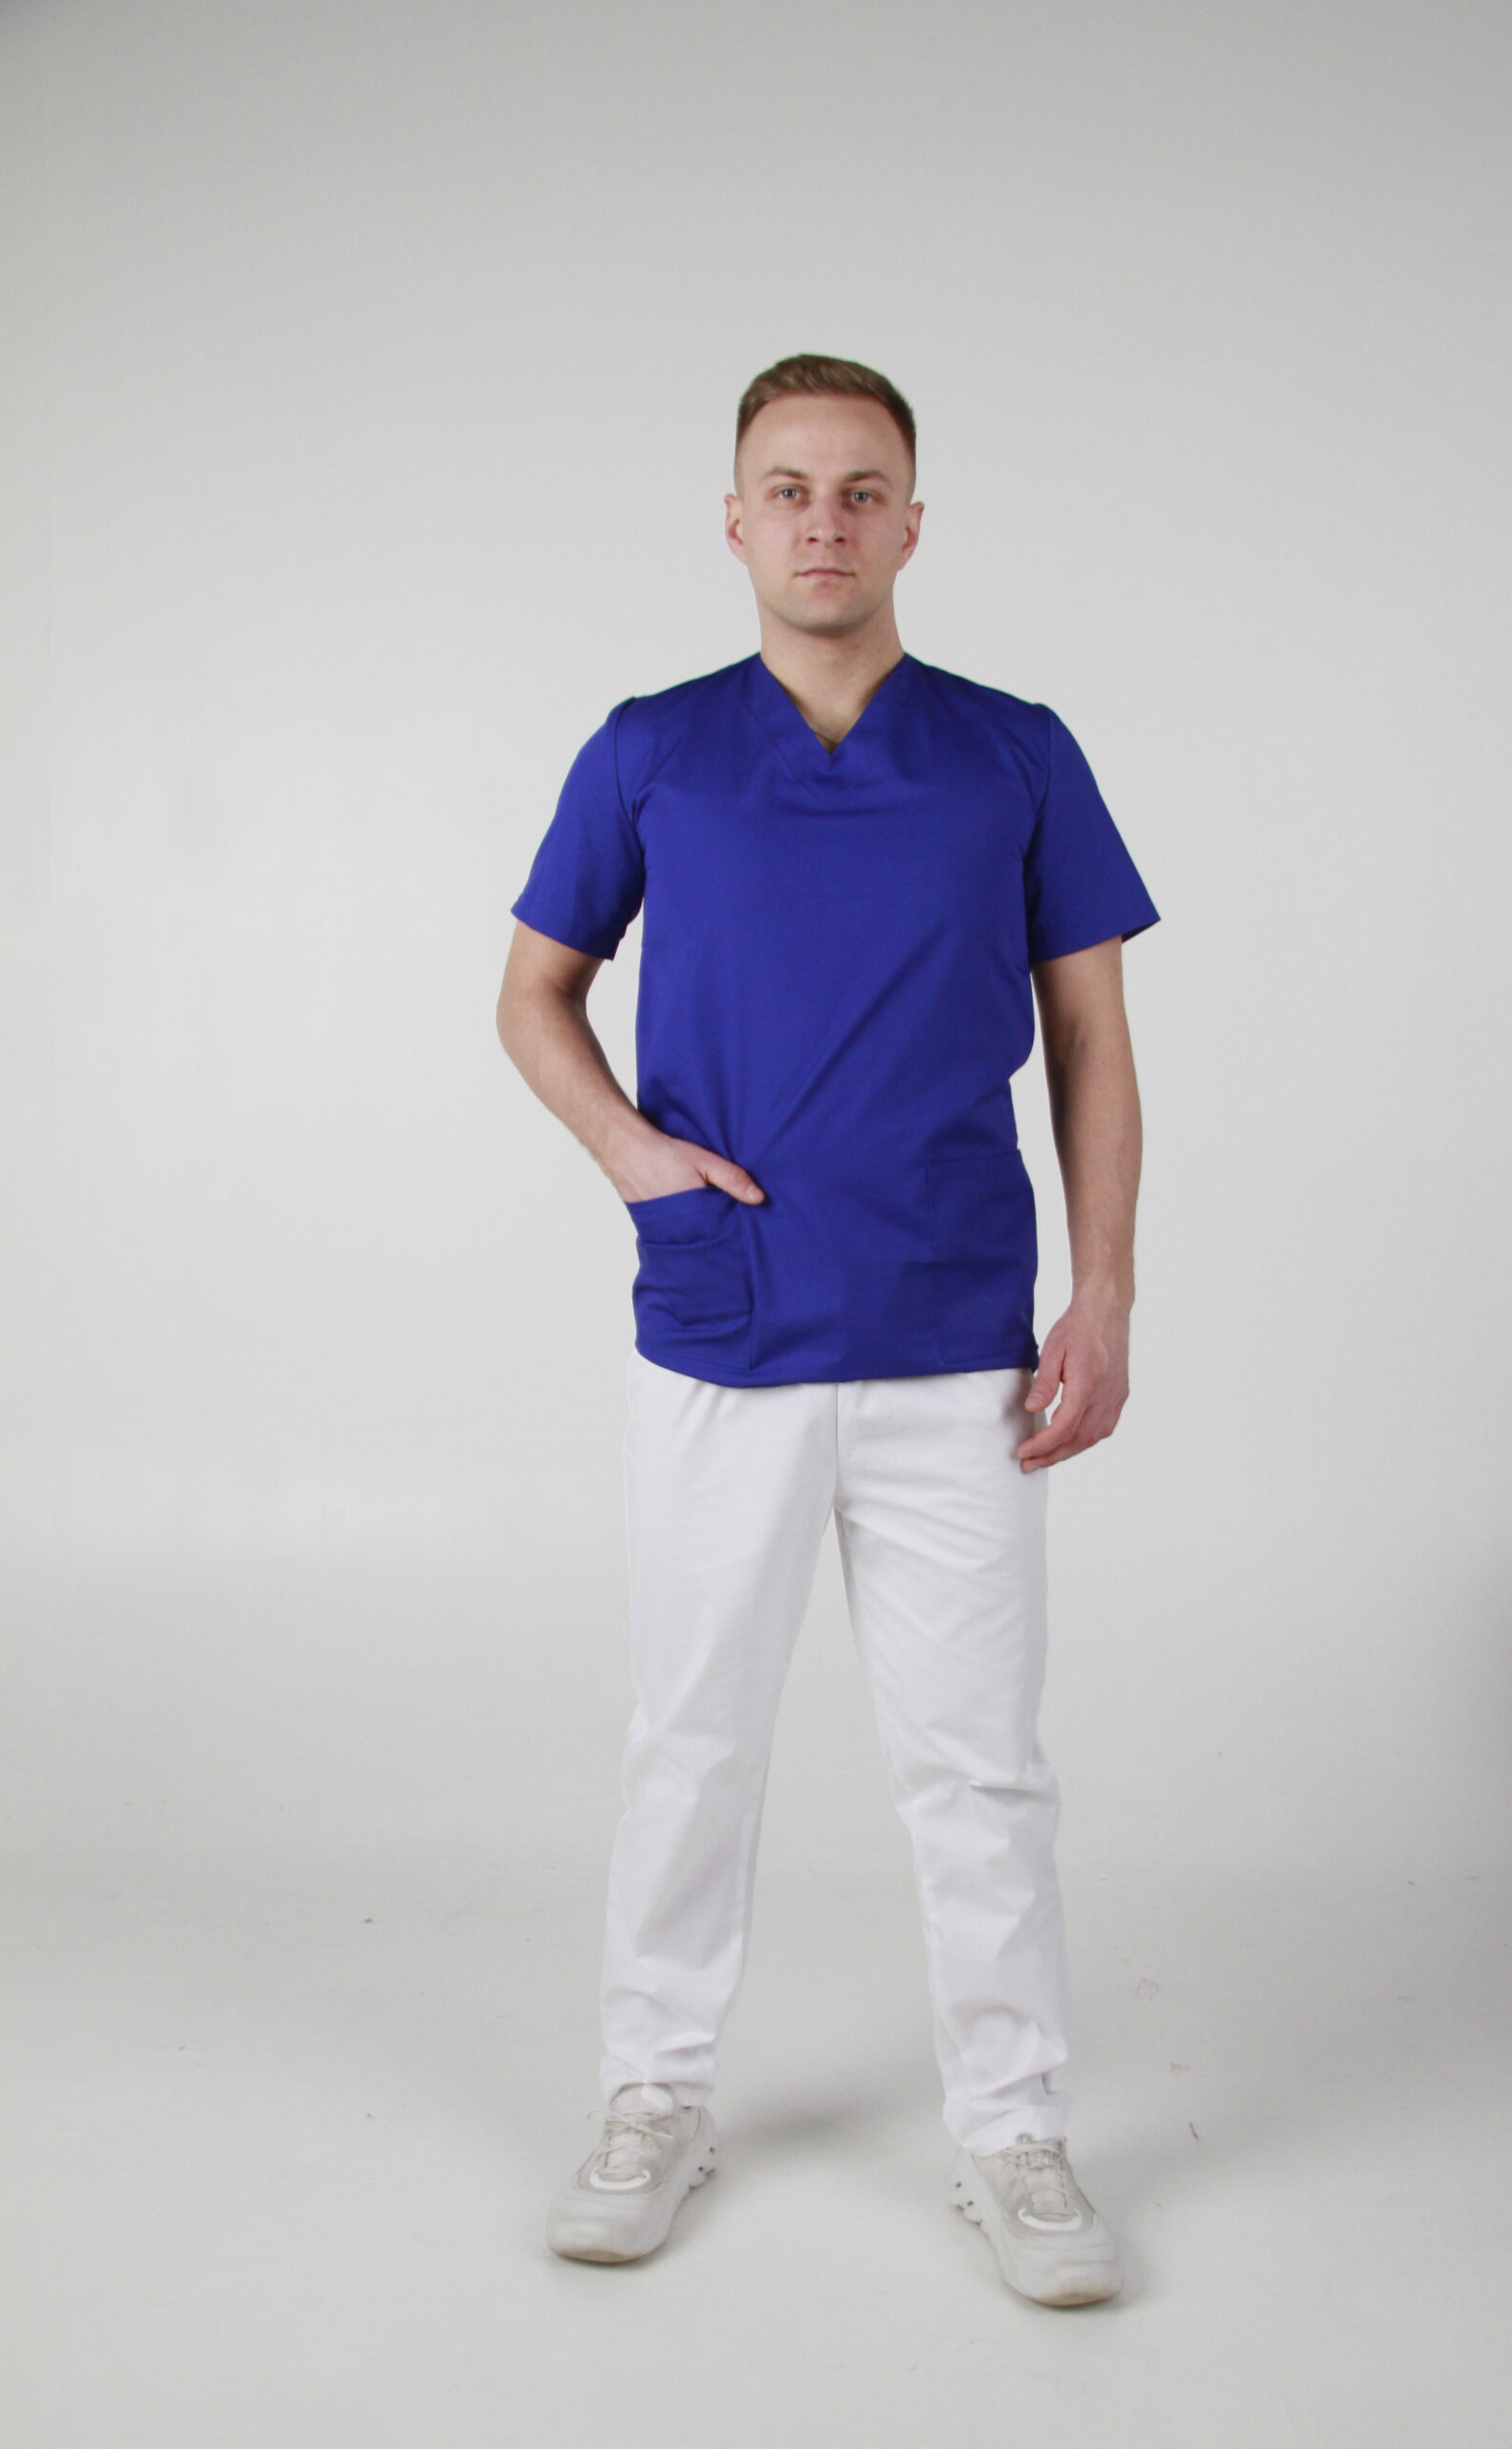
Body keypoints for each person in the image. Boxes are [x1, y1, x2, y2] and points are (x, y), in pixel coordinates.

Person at [494, 354, 1159, 2307]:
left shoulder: (1014, 753)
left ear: (912, 524)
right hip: (727, 1325)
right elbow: (532, 991)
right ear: (733, 521)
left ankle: (1014, 2127)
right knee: (692, 1744)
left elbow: (1092, 1041)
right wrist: (633, 1158)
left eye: (861, 490)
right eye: (786, 489)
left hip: (958, 1339)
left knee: (980, 1766)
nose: (823, 522)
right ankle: (652, 2092)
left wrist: (1104, 1286)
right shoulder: (651, 751)